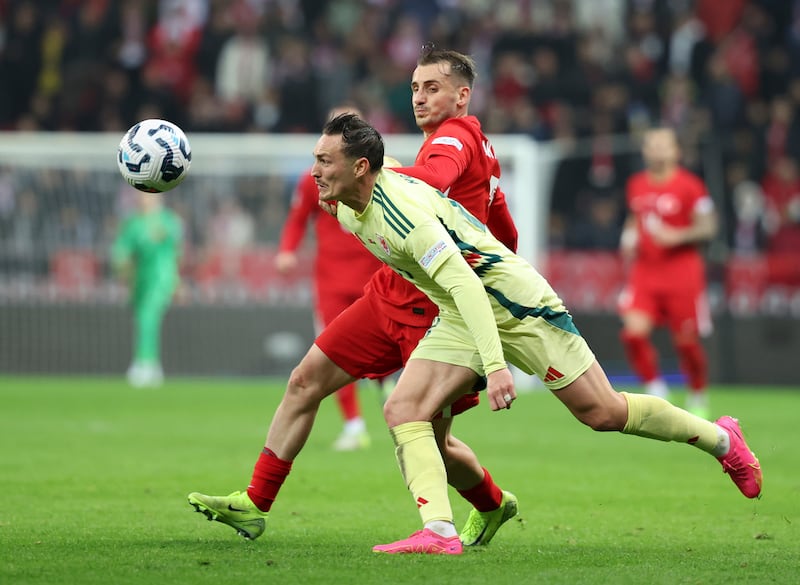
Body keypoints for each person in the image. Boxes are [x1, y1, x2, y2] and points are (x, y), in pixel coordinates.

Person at [285, 113, 759, 554]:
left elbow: (469, 284)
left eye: (324, 161)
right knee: (403, 408)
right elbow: (458, 289)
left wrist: (496, 369)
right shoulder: (347, 207)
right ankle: (439, 531)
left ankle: (721, 440)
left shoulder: (403, 216)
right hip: (460, 314)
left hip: (517, 306)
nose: (314, 172)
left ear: (360, 166)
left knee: (602, 412)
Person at [188, 47, 521, 551]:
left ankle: (491, 504)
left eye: (432, 87)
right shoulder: (474, 148)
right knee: (304, 381)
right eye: (414, 87)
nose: (420, 97)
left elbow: (434, 180)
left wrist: (382, 176)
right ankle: (255, 503)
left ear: (462, 95)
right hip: (387, 293)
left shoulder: (452, 140)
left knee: (433, 441)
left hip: (433, 314)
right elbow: (505, 232)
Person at [275, 105, 384, 451]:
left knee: (382, 346)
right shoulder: (316, 177)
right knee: (334, 350)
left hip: (375, 273)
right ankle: (354, 424)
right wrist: (287, 249)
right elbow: (298, 217)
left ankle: (388, 389)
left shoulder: (379, 176)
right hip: (331, 278)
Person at [618, 127, 718, 419]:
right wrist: (627, 237)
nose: (657, 150)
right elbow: (634, 218)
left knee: (686, 342)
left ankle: (698, 391)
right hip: (645, 272)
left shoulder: (691, 186)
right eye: (651, 145)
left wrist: (677, 235)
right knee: (632, 334)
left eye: (663, 145)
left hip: (682, 274)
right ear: (645, 151)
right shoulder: (636, 184)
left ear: (676, 151)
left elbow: (709, 227)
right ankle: (656, 388)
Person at [110, 191, 182, 388]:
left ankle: (146, 364)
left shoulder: (168, 221)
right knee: (143, 317)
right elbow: (120, 252)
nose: (145, 199)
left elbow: (173, 251)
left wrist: (176, 281)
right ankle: (150, 364)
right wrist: (123, 269)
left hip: (161, 278)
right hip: (140, 280)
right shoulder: (133, 224)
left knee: (147, 317)